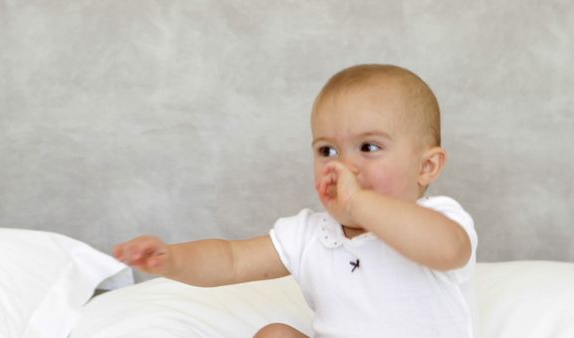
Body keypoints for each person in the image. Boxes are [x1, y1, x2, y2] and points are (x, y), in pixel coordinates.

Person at [114, 64, 478, 338]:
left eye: (369, 147)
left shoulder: (438, 219)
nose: (344, 164)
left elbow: (447, 250)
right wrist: (173, 259)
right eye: (327, 149)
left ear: (427, 166)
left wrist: (359, 204)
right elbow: (232, 260)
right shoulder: (311, 232)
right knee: (274, 335)